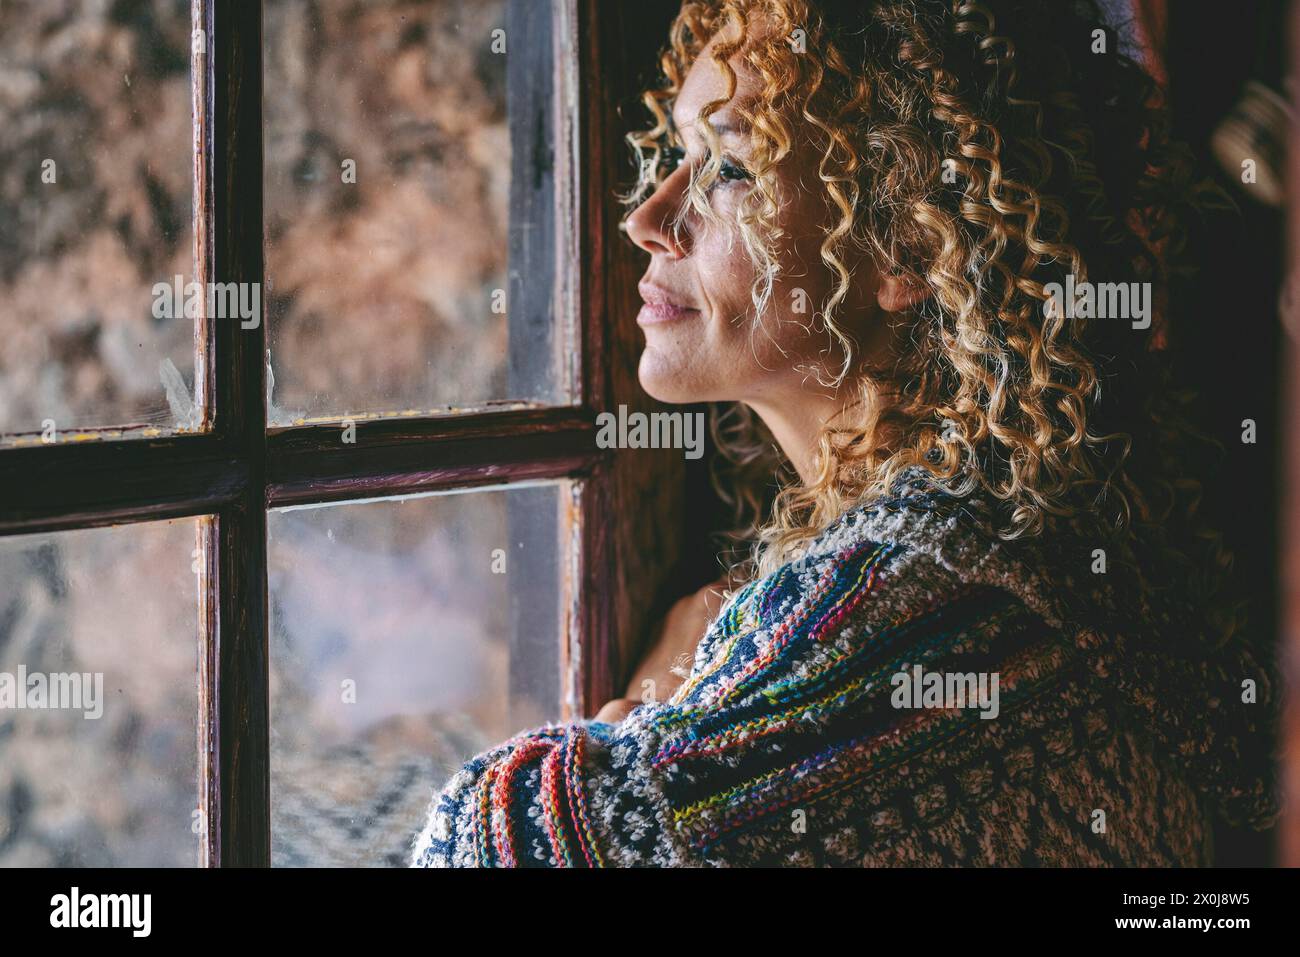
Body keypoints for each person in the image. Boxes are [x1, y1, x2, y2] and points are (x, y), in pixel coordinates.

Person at [412, 0, 1278, 867]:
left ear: (905, 242)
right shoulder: (1009, 549)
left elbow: (491, 853)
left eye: (732, 169)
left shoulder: (925, 594)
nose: (649, 217)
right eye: (680, 155)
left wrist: (619, 728)